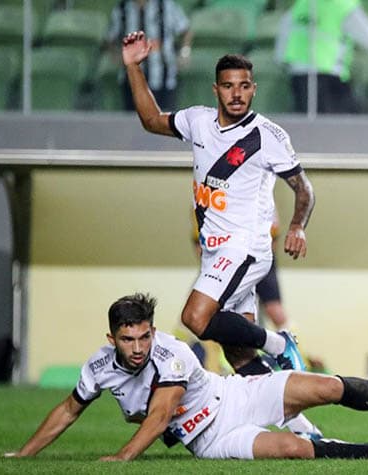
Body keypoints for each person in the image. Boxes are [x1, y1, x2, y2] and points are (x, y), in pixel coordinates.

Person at [6, 293, 368, 461]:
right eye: (129, 340)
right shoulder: (98, 367)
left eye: (145, 336)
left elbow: (161, 414)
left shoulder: (173, 353)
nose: (140, 347)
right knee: (293, 449)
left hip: (236, 396)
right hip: (210, 440)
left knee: (327, 386)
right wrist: (24, 454)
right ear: (112, 338)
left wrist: (122, 458)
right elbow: (69, 409)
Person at [122, 31, 313, 384]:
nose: (236, 94)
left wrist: (298, 225)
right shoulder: (198, 121)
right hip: (215, 251)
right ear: (216, 90)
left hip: (246, 248)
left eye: (243, 86)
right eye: (228, 86)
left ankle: (278, 342)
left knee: (195, 318)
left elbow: (303, 187)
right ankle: (302, 429)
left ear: (253, 89)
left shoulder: (268, 136)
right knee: (240, 358)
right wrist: (134, 67)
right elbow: (151, 120)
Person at [275, 0, 368, 114]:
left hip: (298, 74)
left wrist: (281, 60)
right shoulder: (342, 5)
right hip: (328, 74)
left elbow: (285, 31)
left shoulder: (303, 3)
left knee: (307, 126)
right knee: (337, 126)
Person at [107, 0, 192, 111]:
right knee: (133, 121)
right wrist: (115, 53)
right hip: (131, 80)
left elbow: (185, 31)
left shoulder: (166, 6)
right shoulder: (121, 9)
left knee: (164, 120)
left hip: (164, 78)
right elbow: (110, 38)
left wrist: (184, 52)